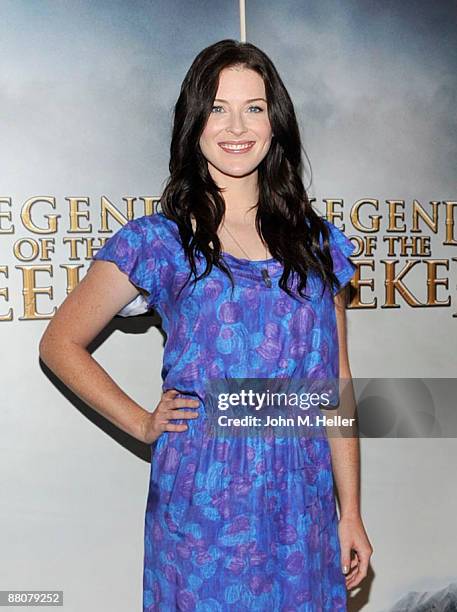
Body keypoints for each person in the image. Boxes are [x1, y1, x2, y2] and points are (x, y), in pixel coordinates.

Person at [39, 39, 373, 611]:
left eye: (254, 107)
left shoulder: (317, 244)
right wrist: (143, 423)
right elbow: (59, 343)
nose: (236, 126)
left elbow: (335, 384)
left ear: (276, 122)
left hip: (302, 496)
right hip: (205, 501)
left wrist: (352, 512)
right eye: (217, 107)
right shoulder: (159, 242)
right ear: (194, 121)